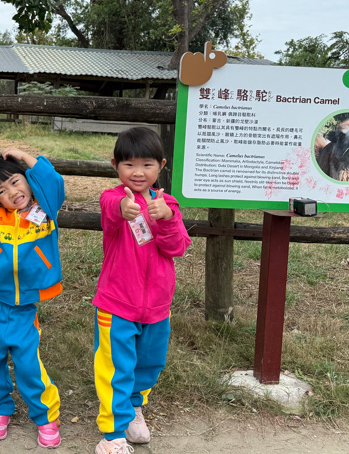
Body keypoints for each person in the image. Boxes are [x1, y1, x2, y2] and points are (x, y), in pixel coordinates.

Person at [93, 127, 192, 454]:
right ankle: (112, 434)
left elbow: (177, 248)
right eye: (129, 164)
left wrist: (167, 219)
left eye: (147, 164)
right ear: (115, 165)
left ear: (161, 165)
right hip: (117, 304)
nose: (138, 172)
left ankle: (134, 407)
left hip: (157, 307)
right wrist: (124, 208)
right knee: (116, 368)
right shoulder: (112, 198)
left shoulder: (168, 204)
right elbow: (111, 211)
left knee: (149, 363)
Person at [0, 147, 64, 449]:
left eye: (16, 182)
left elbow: (53, 181)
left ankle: (45, 416)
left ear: (28, 179)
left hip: (24, 306)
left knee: (28, 363)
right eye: (1, 191)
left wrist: (25, 157)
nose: (12, 193)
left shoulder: (45, 207)